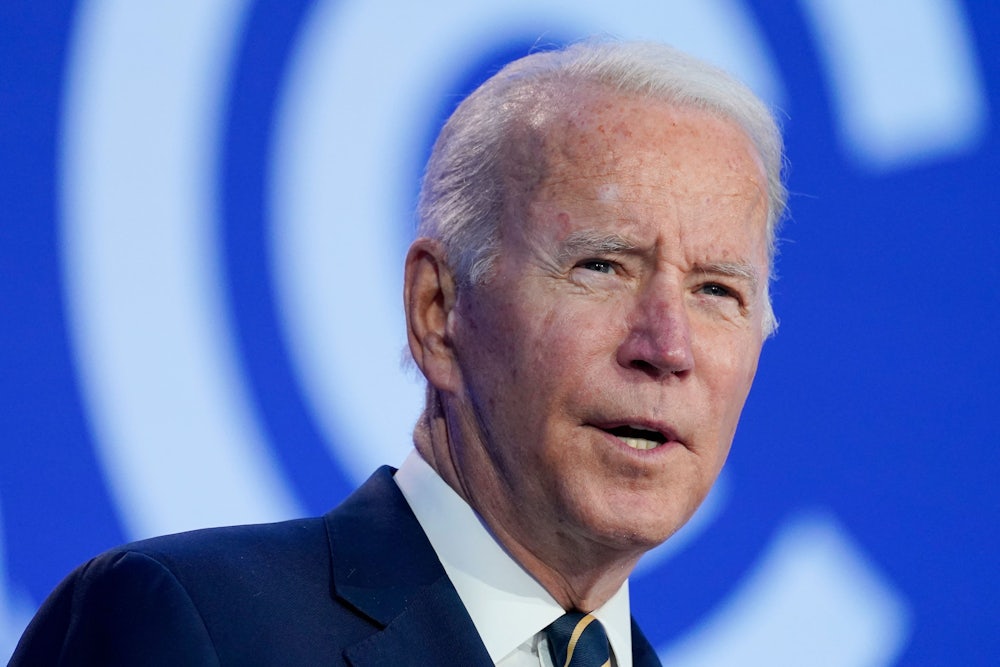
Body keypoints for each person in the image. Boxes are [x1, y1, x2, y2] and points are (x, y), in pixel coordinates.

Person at [11, 39, 786, 666]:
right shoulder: (187, 626)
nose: (668, 347)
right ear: (438, 310)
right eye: (602, 265)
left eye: (718, 290)